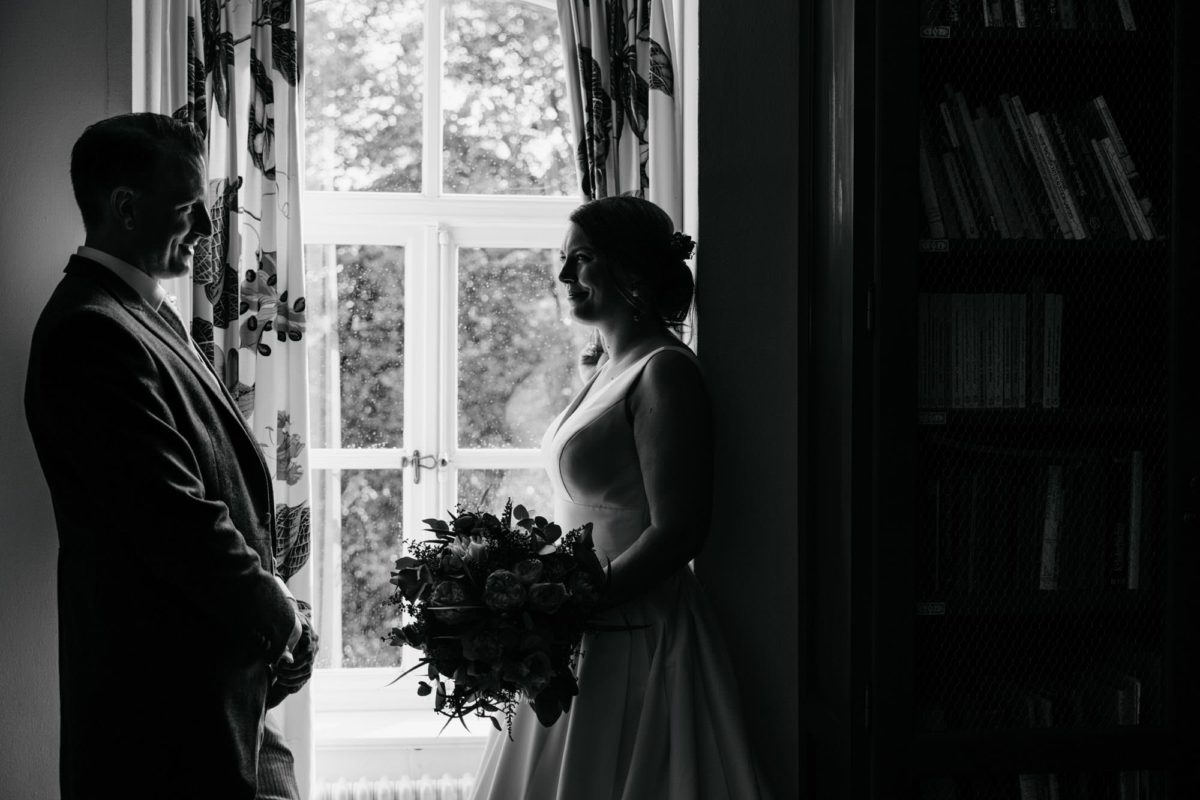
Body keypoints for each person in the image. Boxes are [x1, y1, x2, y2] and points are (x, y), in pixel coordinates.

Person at [24, 113, 316, 800]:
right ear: (126, 207)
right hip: (161, 715)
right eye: (189, 209)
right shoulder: (91, 332)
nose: (209, 230)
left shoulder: (143, 315)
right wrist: (280, 616)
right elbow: (171, 516)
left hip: (222, 689)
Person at [470, 196, 771, 799]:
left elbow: (678, 531)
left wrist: (575, 603)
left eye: (581, 258)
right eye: (563, 258)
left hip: (635, 632)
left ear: (630, 269)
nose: (563, 275)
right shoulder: (606, 368)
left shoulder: (664, 371)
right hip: (580, 626)